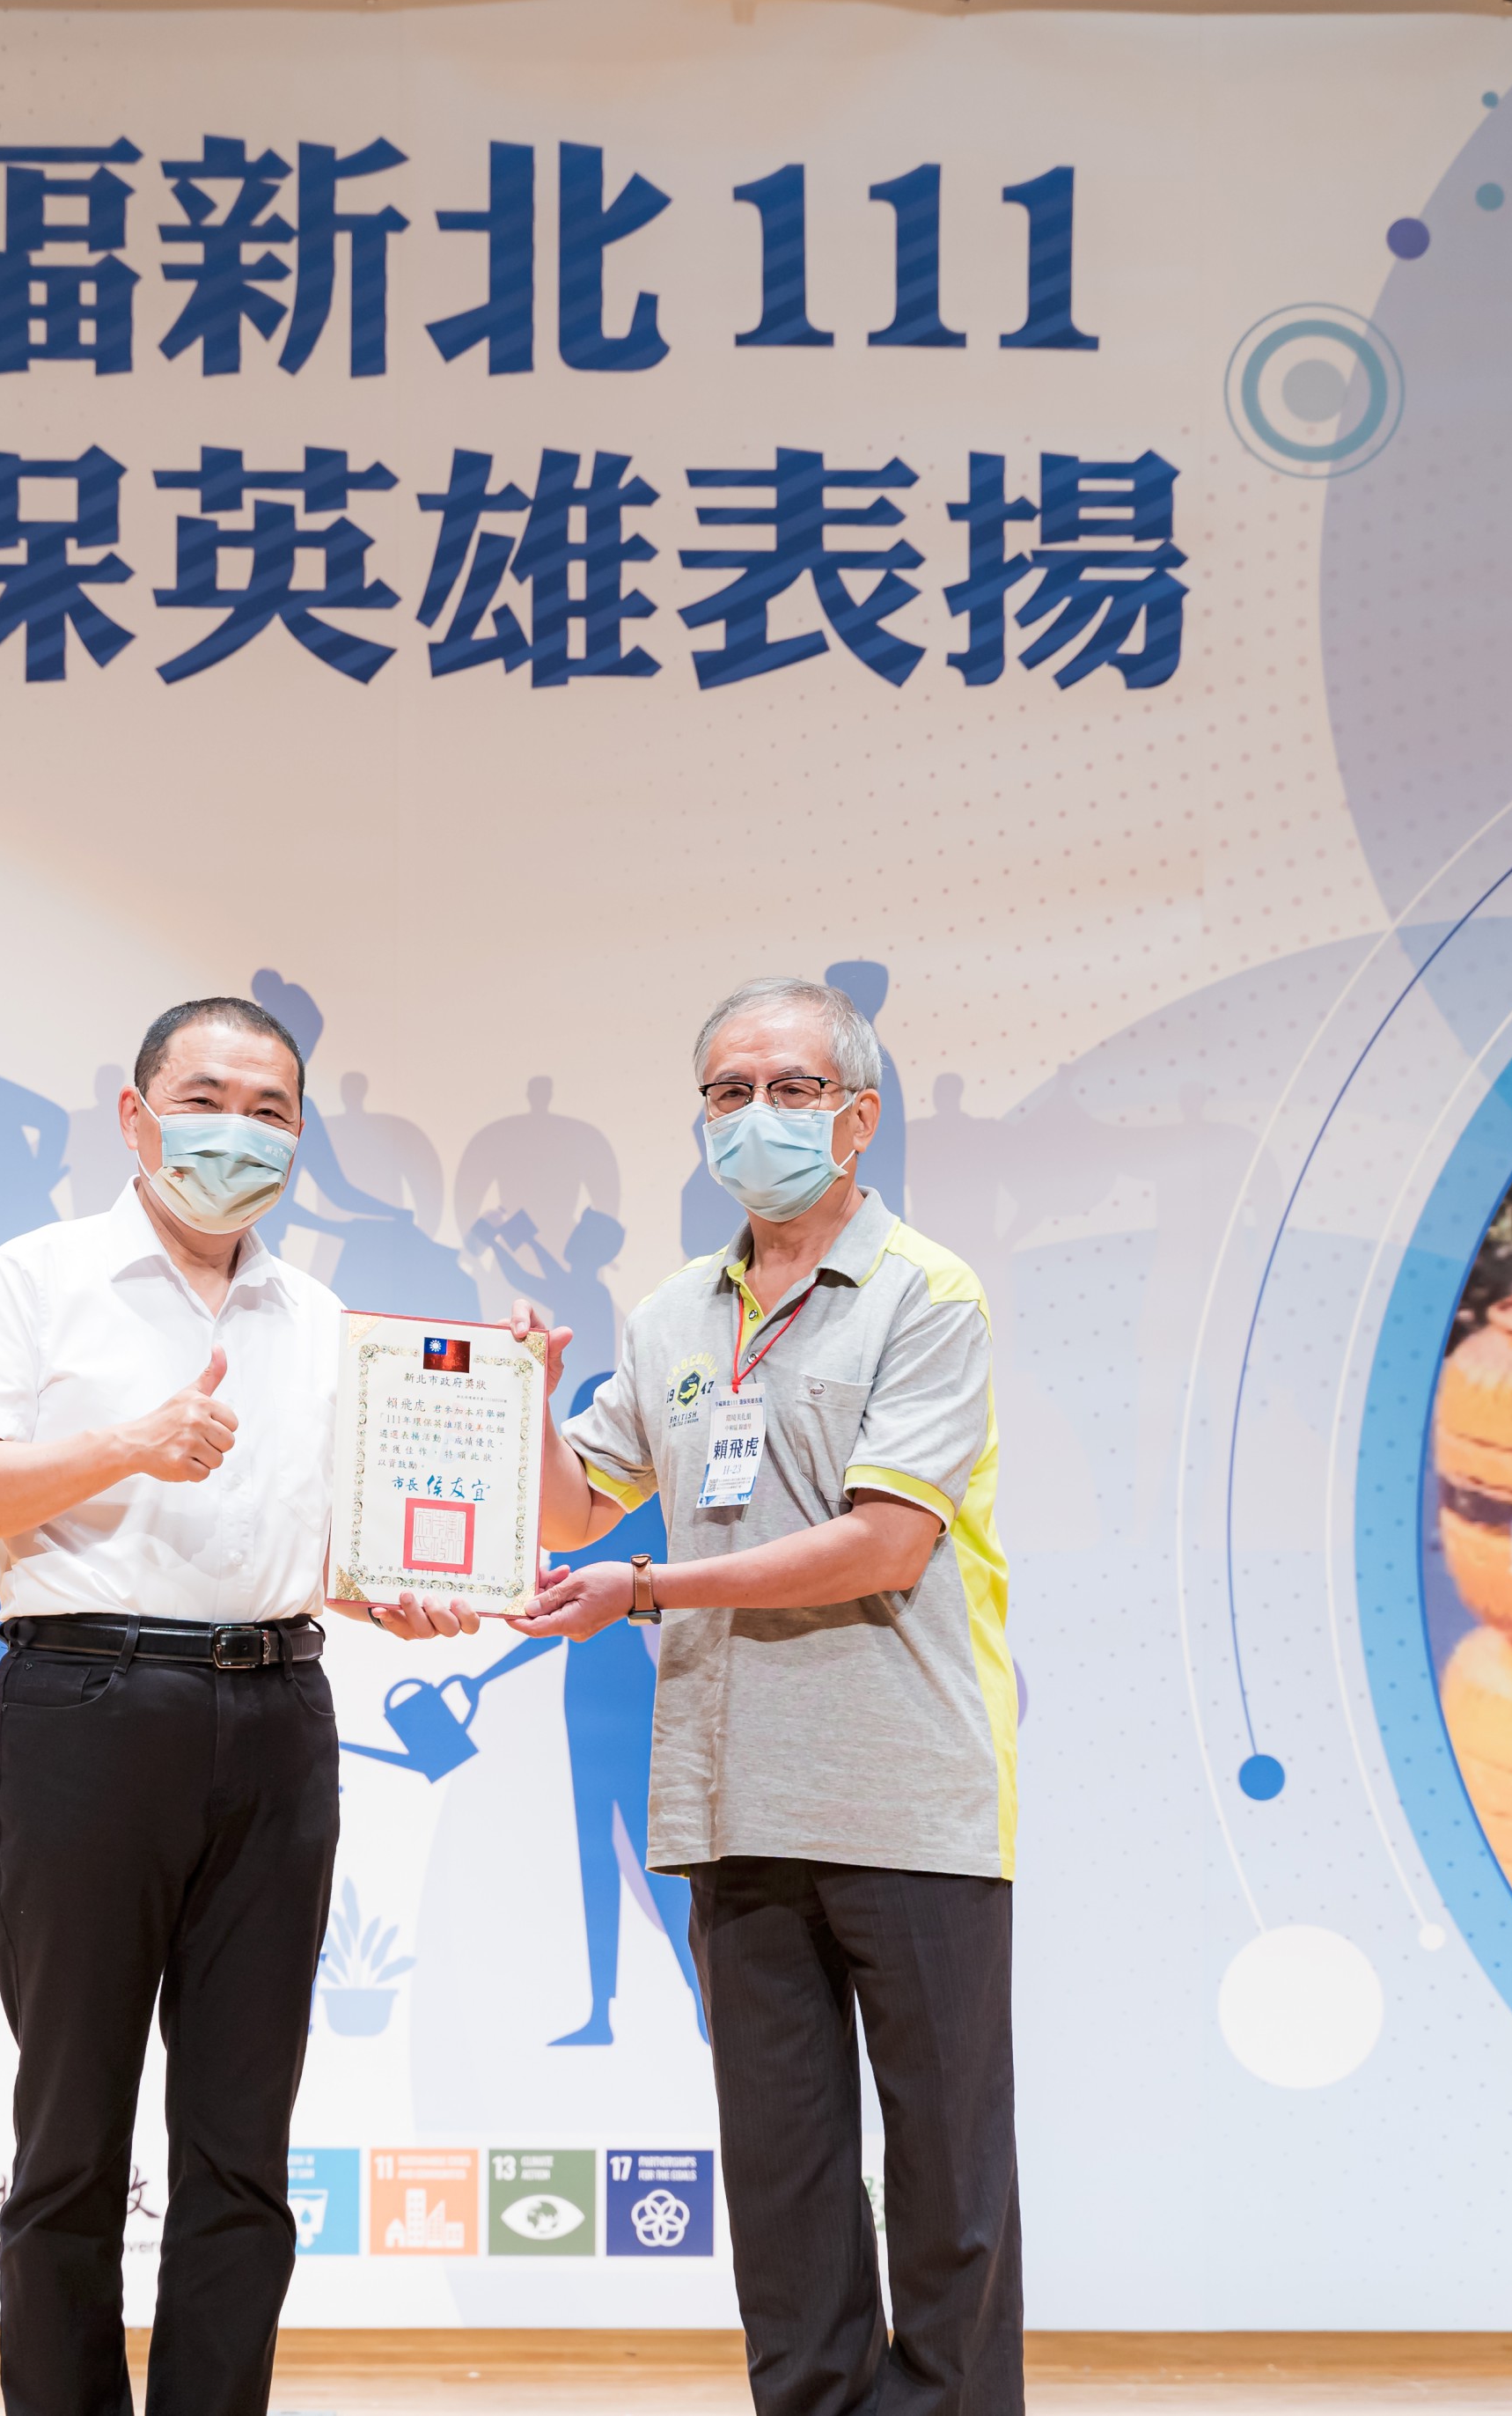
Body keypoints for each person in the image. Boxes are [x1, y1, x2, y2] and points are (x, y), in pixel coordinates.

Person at [0, 995, 473, 2416]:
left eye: (272, 1110)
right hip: (86, 1706)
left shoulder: (323, 1317)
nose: (240, 1132)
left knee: (243, 2144)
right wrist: (131, 1442)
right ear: (136, 1114)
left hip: (279, 1712)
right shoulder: (40, 1276)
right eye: (208, 1099)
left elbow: (312, 1538)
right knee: (72, 2130)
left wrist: (392, 1593)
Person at [506, 974, 1017, 2416]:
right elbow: (574, 1504)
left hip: (907, 1797)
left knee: (948, 2187)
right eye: (728, 1092)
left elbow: (885, 1541)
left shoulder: (927, 1292)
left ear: (859, 1116)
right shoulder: (676, 1313)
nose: (757, 1116)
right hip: (731, 1803)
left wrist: (648, 1587)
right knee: (784, 2195)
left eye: (792, 1089)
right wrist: (528, 1402)